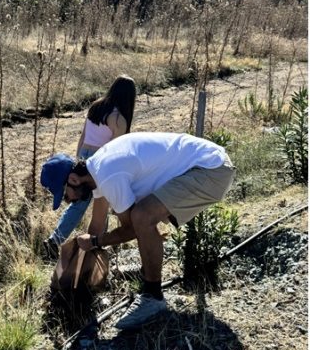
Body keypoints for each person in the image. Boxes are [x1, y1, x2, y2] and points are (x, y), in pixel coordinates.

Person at [41, 132, 235, 330]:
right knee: (138, 213)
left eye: (65, 195)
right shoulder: (97, 170)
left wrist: (96, 242)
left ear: (73, 179)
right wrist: (80, 262)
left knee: (141, 216)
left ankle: (153, 297)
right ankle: (146, 272)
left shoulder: (108, 175)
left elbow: (131, 230)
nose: (69, 201)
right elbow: (97, 225)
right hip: (207, 165)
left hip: (211, 170)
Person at [43, 75, 136, 257]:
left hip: (85, 156)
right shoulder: (118, 119)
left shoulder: (97, 106)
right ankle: (98, 244)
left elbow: (83, 135)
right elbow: (116, 151)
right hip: (100, 161)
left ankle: (55, 240)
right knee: (104, 201)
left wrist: (79, 160)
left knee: (78, 203)